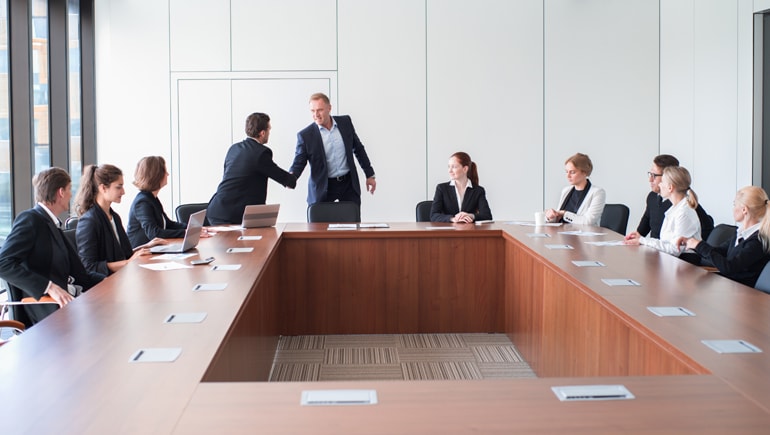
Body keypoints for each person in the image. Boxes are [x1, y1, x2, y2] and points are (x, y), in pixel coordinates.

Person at [0, 167, 104, 324]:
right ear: (61, 192)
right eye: (70, 190)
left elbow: (82, 276)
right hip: (50, 307)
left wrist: (111, 281)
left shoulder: (52, 224)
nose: (71, 195)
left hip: (70, 300)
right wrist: (50, 287)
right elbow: (3, 264)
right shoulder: (31, 220)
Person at [207, 112, 296, 225]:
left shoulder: (234, 148)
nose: (269, 133)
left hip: (216, 210)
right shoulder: (261, 153)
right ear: (263, 133)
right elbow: (286, 179)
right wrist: (292, 178)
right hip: (232, 216)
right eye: (269, 130)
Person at [289, 92, 376, 206]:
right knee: (318, 224)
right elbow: (298, 162)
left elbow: (358, 149)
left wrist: (369, 175)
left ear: (329, 108)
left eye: (320, 110)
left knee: (352, 222)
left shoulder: (345, 123)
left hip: (348, 185)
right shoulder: (305, 135)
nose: (316, 114)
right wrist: (290, 178)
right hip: (323, 186)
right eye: (312, 111)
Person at [675, 186, 770, 287]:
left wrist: (699, 245)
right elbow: (719, 252)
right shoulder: (741, 233)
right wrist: (693, 244)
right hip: (731, 286)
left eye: (734, 205)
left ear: (744, 210)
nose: (733, 209)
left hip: (745, 294)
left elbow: (729, 267)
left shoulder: (758, 241)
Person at [74, 164, 159, 275]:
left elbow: (125, 254)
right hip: (104, 285)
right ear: (103, 188)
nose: (123, 192)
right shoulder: (89, 222)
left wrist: (147, 246)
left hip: (120, 277)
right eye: (118, 187)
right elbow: (89, 267)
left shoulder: (114, 217)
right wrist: (128, 262)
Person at [632, 154, 714, 241]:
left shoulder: (683, 204)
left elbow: (708, 230)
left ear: (668, 177)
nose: (650, 180)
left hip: (672, 252)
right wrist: (636, 237)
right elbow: (643, 227)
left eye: (654, 175)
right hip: (655, 249)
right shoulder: (652, 197)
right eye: (650, 174)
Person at [624, 166, 700, 256]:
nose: (660, 185)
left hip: (684, 263)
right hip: (670, 260)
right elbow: (664, 242)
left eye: (662, 182)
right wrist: (642, 240)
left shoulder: (684, 212)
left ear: (670, 188)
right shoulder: (674, 209)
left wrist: (643, 241)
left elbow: (675, 249)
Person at [127, 156, 187, 248]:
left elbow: (168, 224)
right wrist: (185, 233)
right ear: (156, 175)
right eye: (165, 171)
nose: (167, 174)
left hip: (155, 249)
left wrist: (192, 229)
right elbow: (154, 233)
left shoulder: (151, 198)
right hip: (141, 255)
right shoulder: (142, 202)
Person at [430, 152, 493, 223]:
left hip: (469, 231)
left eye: (454, 167)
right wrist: (453, 219)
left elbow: (487, 216)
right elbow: (434, 215)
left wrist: (470, 216)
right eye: (449, 166)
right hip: (449, 231)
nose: (450, 170)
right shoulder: (442, 188)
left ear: (465, 169)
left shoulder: (478, 190)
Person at [544, 152, 605, 225]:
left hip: (584, 235)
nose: (568, 176)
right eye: (566, 172)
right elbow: (558, 218)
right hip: (562, 234)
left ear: (584, 172)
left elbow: (588, 222)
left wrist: (564, 213)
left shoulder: (597, 192)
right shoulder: (566, 190)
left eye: (572, 172)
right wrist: (551, 216)